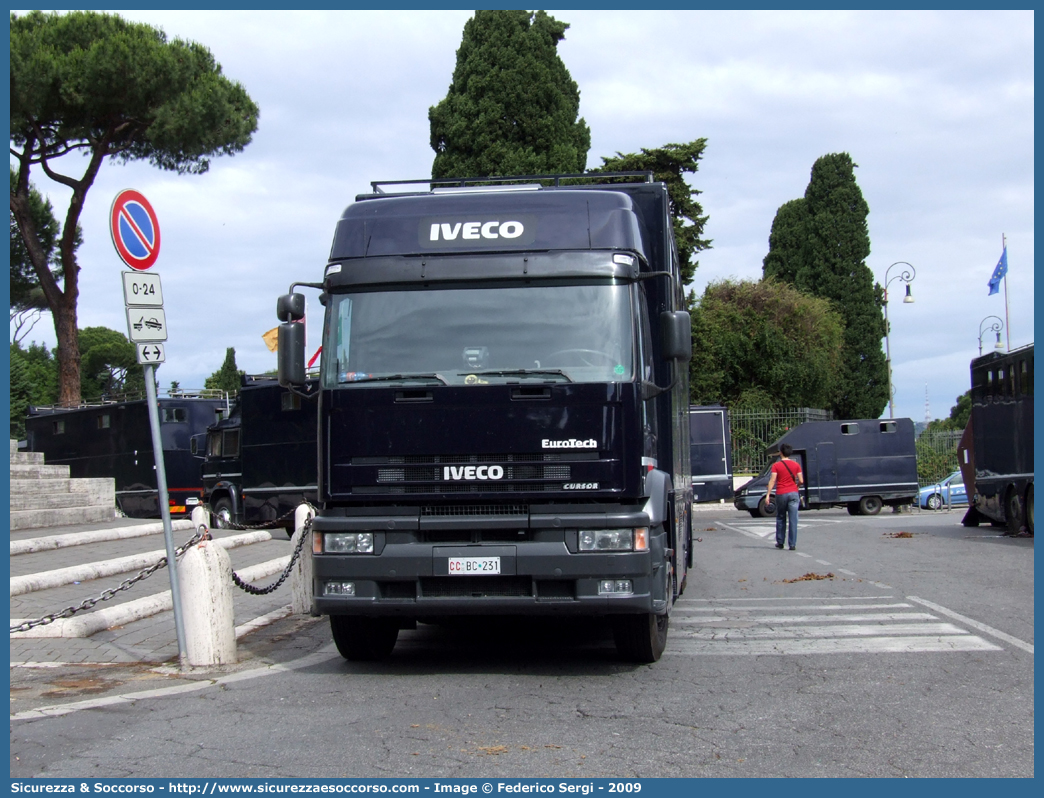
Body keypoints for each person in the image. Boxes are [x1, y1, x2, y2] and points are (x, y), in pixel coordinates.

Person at [766, 443, 804, 550]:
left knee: (781, 517)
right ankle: (792, 544)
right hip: (793, 493)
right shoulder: (796, 465)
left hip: (781, 493)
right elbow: (801, 480)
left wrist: (768, 494)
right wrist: (797, 486)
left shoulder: (776, 466)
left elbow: (772, 480)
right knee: (793, 519)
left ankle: (780, 542)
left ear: (781, 453)